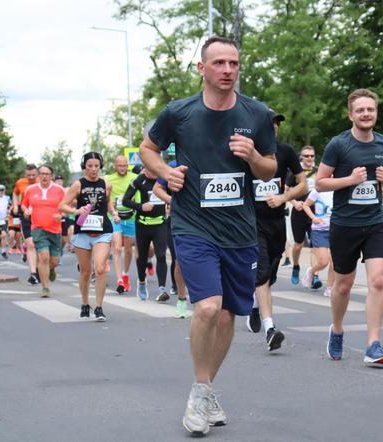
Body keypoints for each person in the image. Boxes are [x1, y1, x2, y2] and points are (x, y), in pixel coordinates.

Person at [139, 36, 277, 436]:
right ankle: (199, 395)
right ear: (202, 68)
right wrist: (166, 172)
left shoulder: (257, 112)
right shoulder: (178, 112)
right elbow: (148, 149)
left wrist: (252, 157)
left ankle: (205, 388)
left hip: (240, 229)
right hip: (193, 224)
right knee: (206, 308)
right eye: (218, 63)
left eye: (233, 63)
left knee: (230, 314)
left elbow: (269, 169)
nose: (227, 70)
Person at [316, 88, 383, 365]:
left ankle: (373, 343)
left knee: (378, 280)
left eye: (370, 109)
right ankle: (336, 329)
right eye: (360, 110)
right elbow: (320, 182)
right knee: (344, 285)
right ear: (351, 114)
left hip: (374, 222)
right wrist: (349, 180)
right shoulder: (338, 144)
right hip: (345, 224)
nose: (366, 114)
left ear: (376, 112)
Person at [246, 110, 306, 352]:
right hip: (252, 221)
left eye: (277, 124)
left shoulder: (286, 152)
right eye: (269, 123)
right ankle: (270, 329)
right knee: (261, 273)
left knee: (268, 276)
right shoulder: (246, 153)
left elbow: (302, 184)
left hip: (277, 222)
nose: (274, 127)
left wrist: (283, 197)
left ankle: (254, 303)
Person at [60, 152, 118, 321]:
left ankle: (99, 307)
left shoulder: (106, 184)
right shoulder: (78, 185)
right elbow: (62, 205)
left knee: (100, 268)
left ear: (100, 166)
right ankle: (85, 304)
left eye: (96, 166)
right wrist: (76, 211)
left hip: (103, 230)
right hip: (83, 231)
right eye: (90, 166)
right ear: (84, 166)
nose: (93, 170)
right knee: (85, 272)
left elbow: (107, 203)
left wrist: (113, 213)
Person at [122, 167, 169, 302]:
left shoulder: (164, 179)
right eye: (149, 169)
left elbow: (173, 195)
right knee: (142, 257)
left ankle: (162, 289)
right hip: (142, 224)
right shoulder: (139, 180)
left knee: (161, 255)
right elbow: (126, 200)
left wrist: (170, 204)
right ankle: (142, 282)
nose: (153, 172)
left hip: (160, 224)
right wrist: (141, 206)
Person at [22, 165, 65, 298]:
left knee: (55, 261)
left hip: (55, 229)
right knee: (44, 257)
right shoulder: (31, 189)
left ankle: (51, 269)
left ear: (52, 176)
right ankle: (45, 287)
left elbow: (66, 205)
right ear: (39, 175)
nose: (44, 176)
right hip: (38, 229)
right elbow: (24, 204)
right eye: (42, 174)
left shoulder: (59, 190)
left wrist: (62, 215)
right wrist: (26, 211)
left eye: (47, 174)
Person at [153, 164, 190, 318]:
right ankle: (181, 299)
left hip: (209, 219)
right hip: (181, 220)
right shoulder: (176, 164)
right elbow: (157, 188)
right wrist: (172, 201)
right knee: (179, 261)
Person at [105, 155, 137, 294]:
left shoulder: (134, 177)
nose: (122, 168)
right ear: (115, 166)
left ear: (127, 165)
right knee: (117, 248)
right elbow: (105, 198)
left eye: (124, 165)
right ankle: (119, 281)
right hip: (115, 217)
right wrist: (110, 206)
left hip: (131, 217)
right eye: (120, 165)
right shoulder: (108, 179)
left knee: (128, 250)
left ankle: (126, 274)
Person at [287, 145, 317, 284]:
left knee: (315, 245)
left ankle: (314, 273)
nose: (309, 158)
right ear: (301, 157)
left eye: (312, 155)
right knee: (298, 244)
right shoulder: (295, 172)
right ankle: (295, 266)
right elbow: (286, 190)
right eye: (306, 156)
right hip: (299, 213)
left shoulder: (318, 171)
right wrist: (294, 203)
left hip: (314, 213)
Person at [301, 187, 335, 297]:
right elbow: (305, 205)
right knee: (324, 262)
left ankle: (330, 288)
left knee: (335, 263)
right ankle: (311, 272)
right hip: (320, 231)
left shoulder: (340, 188)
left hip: (336, 230)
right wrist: (313, 217)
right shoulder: (318, 189)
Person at [13, 164, 39, 284]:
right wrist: (15, 206)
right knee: (30, 243)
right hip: (26, 215)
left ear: (37, 173)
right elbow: (15, 193)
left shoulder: (42, 181)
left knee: (39, 244)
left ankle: (40, 268)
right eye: (29, 175)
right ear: (25, 174)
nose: (32, 177)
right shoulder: (21, 183)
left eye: (34, 175)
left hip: (41, 216)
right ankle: (33, 273)